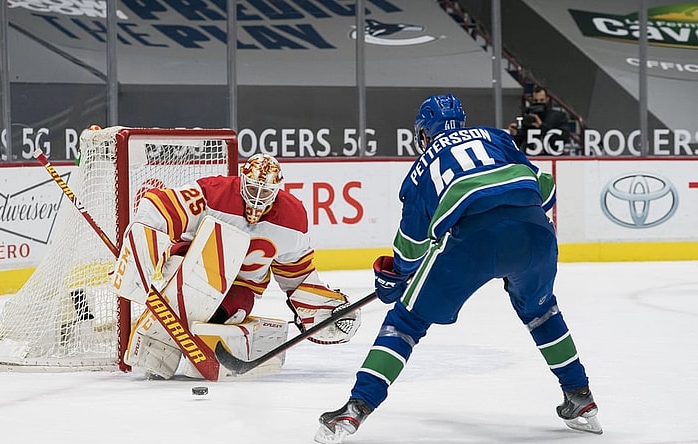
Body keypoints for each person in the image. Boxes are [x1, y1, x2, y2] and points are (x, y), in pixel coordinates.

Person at [314, 94, 601, 443]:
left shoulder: (419, 171)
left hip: (476, 240)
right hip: (536, 230)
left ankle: (355, 408)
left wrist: (398, 276)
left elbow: (412, 246)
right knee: (541, 311)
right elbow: (546, 187)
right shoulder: (497, 138)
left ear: (423, 134)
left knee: (406, 322)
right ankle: (581, 397)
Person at [110, 153, 361, 380]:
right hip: (188, 265)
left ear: (277, 190)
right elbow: (158, 205)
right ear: (241, 180)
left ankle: (195, 340)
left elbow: (296, 275)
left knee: (234, 313)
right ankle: (156, 343)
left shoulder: (293, 219)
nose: (257, 198)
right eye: (252, 188)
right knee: (194, 286)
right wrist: (140, 250)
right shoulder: (214, 192)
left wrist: (324, 309)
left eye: (265, 192)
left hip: (241, 287)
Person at [507, 86, 571, 154]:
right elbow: (520, 142)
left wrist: (541, 126)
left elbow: (564, 137)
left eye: (541, 100)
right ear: (532, 100)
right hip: (532, 157)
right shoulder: (528, 117)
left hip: (553, 155)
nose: (539, 103)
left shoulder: (558, 116)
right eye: (536, 100)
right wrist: (515, 134)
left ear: (547, 99)